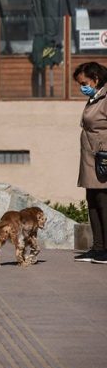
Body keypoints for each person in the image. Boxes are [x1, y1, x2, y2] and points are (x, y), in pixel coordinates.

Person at [73, 61, 107, 264]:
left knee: (104, 202)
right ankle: (98, 247)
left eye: (84, 82)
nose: (81, 87)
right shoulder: (95, 98)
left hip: (102, 158)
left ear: (95, 79)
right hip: (89, 158)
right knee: (92, 202)